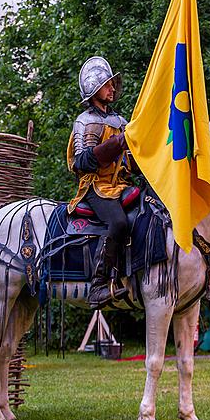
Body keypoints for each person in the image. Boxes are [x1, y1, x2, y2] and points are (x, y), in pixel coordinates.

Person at [67, 56, 133, 309]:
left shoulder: (121, 122)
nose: (112, 89)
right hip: (95, 187)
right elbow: (82, 162)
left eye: (113, 84)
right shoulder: (85, 121)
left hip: (121, 185)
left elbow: (129, 162)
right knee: (117, 221)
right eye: (107, 85)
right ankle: (98, 285)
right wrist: (117, 143)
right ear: (95, 89)